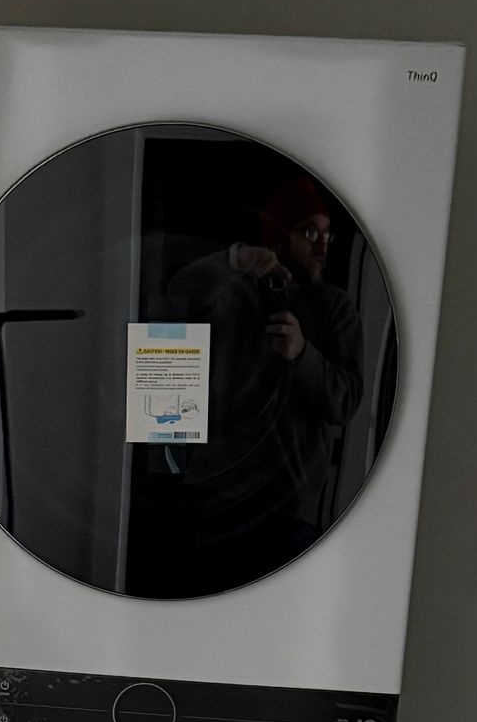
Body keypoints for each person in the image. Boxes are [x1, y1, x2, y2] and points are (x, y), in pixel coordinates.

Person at [138, 176, 364, 593]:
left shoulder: (335, 308)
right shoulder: (232, 289)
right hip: (216, 494)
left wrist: (302, 353)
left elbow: (346, 402)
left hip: (288, 509)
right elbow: (174, 292)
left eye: (327, 233)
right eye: (309, 231)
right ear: (278, 237)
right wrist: (235, 259)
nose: (322, 245)